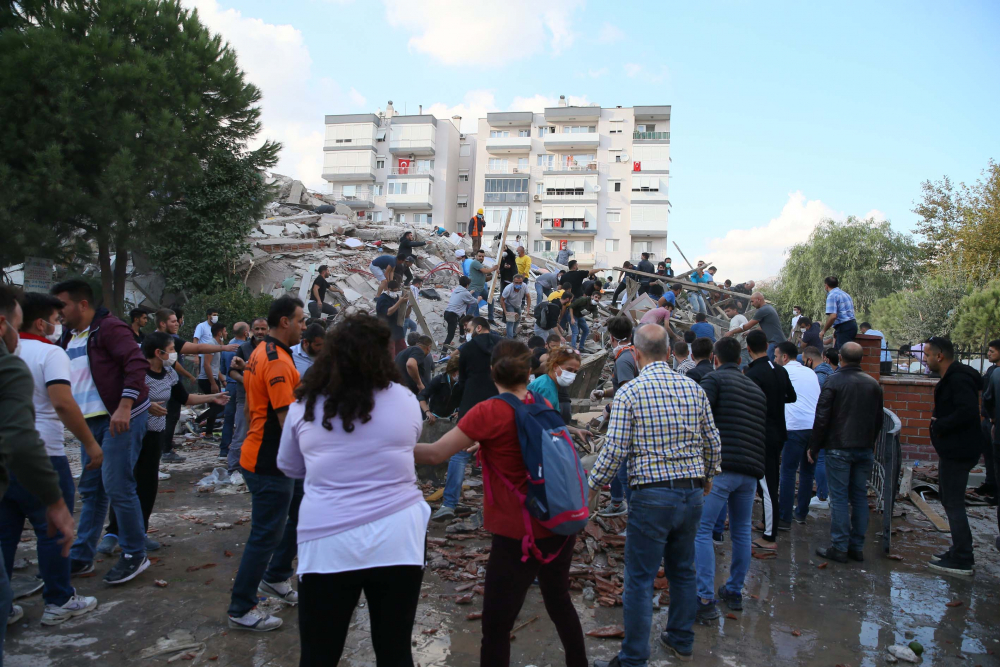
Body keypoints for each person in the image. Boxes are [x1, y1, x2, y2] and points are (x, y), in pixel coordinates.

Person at [415, 340, 587, 667]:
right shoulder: (540, 402)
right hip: (559, 522)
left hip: (518, 535)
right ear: (529, 370)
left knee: (496, 626)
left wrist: (383, 446)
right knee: (560, 602)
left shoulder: (488, 411)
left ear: (492, 370)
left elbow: (436, 452)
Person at [276, 314, 428, 665]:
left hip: (328, 540)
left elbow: (290, 467)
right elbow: (407, 444)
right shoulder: (404, 399)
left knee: (319, 653)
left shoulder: (305, 405)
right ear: (383, 354)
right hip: (399, 538)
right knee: (394, 649)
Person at [588, 324, 722, 665]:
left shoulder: (630, 393)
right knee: (683, 570)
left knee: (639, 578)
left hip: (651, 496)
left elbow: (615, 448)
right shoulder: (693, 389)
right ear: (668, 352)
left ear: (635, 353)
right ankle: (680, 639)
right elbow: (713, 441)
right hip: (690, 494)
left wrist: (592, 485)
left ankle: (633, 658)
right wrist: (706, 476)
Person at [3, 292, 98, 627]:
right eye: (57, 321)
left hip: (5, 457)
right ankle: (59, 600)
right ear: (41, 323)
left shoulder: (8, 353)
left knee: (5, 533)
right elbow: (62, 403)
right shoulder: (50, 352)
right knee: (54, 530)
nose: (60, 327)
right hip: (43, 453)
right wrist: (90, 443)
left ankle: (5, 605)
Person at [50, 280, 151, 585]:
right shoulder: (68, 337)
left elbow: (136, 362)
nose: (58, 313)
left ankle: (135, 553)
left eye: (62, 305)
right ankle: (82, 556)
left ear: (82, 304)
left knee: (118, 485)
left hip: (120, 417)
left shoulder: (109, 328)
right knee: (92, 490)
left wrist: (124, 405)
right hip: (91, 423)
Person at [102, 333, 229, 555]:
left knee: (147, 483)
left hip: (155, 435)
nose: (174, 354)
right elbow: (122, 397)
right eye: (171, 349)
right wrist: (146, 405)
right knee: (125, 481)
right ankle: (113, 532)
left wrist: (212, 398)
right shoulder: (136, 372)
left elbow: (185, 399)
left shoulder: (169, 373)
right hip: (131, 432)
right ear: (158, 353)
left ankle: (140, 532)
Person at [227, 296, 307, 631]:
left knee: (299, 513)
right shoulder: (273, 359)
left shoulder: (268, 352)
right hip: (269, 460)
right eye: (301, 320)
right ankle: (241, 607)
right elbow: (287, 419)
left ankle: (275, 577)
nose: (304, 326)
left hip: (273, 456)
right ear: (285, 322)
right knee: (265, 534)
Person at [694, 338, 766, 622]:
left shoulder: (713, 381)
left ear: (715, 358)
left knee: (701, 530)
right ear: (741, 360)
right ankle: (734, 591)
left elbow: (697, 419)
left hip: (722, 469)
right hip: (750, 472)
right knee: (741, 531)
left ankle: (704, 599)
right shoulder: (756, 389)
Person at [807, 342, 883, 564]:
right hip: (863, 448)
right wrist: (871, 443)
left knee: (839, 498)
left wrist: (814, 446)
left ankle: (839, 546)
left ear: (840, 357)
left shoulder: (833, 381)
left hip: (839, 447)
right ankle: (856, 547)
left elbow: (822, 417)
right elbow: (878, 420)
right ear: (861, 359)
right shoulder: (873, 384)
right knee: (859, 497)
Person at [432, 317, 501, 522]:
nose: (467, 331)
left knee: (460, 455)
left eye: (469, 328)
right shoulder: (505, 345)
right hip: (498, 406)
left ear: (479, 328)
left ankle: (448, 504)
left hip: (471, 407)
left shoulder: (467, 349)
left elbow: (461, 382)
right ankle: (496, 506)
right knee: (497, 456)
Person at [924, 336, 983, 576]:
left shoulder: (958, 379)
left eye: (927, 354)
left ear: (940, 356)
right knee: (949, 499)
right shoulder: (954, 377)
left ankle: (962, 558)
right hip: (954, 449)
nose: (925, 359)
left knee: (953, 502)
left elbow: (967, 412)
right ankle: (959, 549)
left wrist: (940, 425)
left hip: (959, 450)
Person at [152, 308, 237, 463]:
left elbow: (185, 398)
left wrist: (215, 396)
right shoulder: (146, 373)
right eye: (173, 321)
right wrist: (223, 348)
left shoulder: (170, 375)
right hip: (143, 425)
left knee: (166, 418)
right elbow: (197, 348)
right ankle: (163, 451)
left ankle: (161, 453)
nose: (177, 323)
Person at [744, 330, 795, 550]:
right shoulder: (780, 370)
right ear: (766, 345)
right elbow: (791, 396)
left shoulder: (753, 374)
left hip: (761, 435)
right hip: (779, 433)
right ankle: (767, 522)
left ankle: (769, 536)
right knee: (769, 480)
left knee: (766, 485)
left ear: (748, 349)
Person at [590, 317, 638, 517]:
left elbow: (628, 392)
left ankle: (633, 513)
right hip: (630, 418)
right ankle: (618, 502)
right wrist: (605, 393)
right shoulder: (633, 353)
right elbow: (622, 387)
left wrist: (610, 406)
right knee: (621, 465)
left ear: (611, 337)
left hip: (626, 421)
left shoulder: (624, 359)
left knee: (621, 466)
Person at [773, 341, 821, 531]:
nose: (775, 359)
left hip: (794, 427)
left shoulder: (783, 372)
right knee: (808, 472)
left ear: (784, 357)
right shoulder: (810, 372)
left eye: (776, 356)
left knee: (788, 471)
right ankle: (801, 513)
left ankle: (784, 517)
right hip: (814, 428)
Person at [227, 319, 268, 479]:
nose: (260, 332)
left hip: (266, 398)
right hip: (245, 397)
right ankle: (234, 469)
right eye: (257, 329)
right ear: (251, 330)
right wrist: (247, 380)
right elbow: (232, 371)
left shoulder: (272, 348)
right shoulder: (244, 348)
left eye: (263, 329)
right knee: (241, 433)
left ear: (268, 330)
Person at [724, 292, 786, 360]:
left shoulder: (762, 310)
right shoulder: (769, 308)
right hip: (779, 341)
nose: (752, 304)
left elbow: (746, 326)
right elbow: (762, 328)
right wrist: (750, 332)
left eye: (752, 301)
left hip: (774, 342)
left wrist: (731, 332)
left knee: (769, 365)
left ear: (759, 299)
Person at [219, 322, 249, 462]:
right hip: (242, 387)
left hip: (230, 385)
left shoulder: (227, 348)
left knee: (229, 420)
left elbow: (224, 369)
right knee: (243, 422)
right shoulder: (245, 348)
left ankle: (224, 450)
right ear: (246, 332)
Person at [197, 321, 228, 441]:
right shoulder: (210, 344)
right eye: (225, 331)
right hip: (207, 380)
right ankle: (198, 421)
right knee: (218, 405)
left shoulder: (218, 345)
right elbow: (207, 365)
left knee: (216, 407)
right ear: (220, 332)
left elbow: (216, 367)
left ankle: (208, 433)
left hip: (213, 378)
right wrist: (213, 383)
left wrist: (223, 380)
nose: (226, 333)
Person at [977, 340, 1000, 504]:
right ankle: (990, 483)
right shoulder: (992, 370)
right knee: (989, 455)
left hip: (994, 421)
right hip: (987, 419)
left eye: (992, 351)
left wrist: (993, 419)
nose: (989, 354)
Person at [527, 348, 580, 412]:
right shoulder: (546, 389)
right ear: (555, 367)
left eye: (575, 372)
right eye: (569, 370)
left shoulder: (546, 382)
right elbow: (544, 418)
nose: (572, 374)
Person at [419, 356, 462, 422]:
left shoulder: (461, 383)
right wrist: (427, 412)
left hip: (451, 419)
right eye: (460, 372)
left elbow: (465, 400)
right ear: (452, 371)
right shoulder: (439, 380)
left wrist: (460, 411)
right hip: (434, 418)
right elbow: (422, 396)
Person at [819, 276, 857, 349]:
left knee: (842, 353)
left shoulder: (832, 296)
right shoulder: (845, 294)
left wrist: (823, 331)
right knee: (844, 351)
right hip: (852, 325)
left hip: (844, 327)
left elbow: (833, 316)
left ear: (826, 285)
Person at [443, 276, 481, 347]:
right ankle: (443, 353)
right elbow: (474, 302)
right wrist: (479, 299)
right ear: (467, 285)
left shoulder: (456, 290)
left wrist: (470, 292)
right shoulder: (465, 293)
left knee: (463, 319)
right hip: (453, 315)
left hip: (447, 312)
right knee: (450, 336)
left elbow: (463, 296)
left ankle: (462, 336)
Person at [375, 280, 408, 356]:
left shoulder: (395, 297)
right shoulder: (383, 299)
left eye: (397, 290)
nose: (396, 292)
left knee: (403, 351)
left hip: (397, 329)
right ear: (389, 289)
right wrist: (399, 302)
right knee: (391, 353)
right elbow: (388, 312)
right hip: (387, 330)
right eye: (394, 290)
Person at [468, 249, 500, 323]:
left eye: (482, 256)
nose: (481, 258)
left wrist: (494, 275)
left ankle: (490, 319)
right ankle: (474, 321)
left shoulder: (480, 265)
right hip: (474, 288)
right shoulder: (475, 263)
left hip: (481, 289)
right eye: (479, 256)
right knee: (474, 305)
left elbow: (485, 279)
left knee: (491, 300)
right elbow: (486, 271)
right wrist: (493, 268)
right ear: (476, 256)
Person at [499, 274, 530, 339]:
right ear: (513, 282)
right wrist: (505, 312)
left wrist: (528, 308)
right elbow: (502, 300)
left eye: (520, 283)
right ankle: (509, 339)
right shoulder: (508, 288)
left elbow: (528, 296)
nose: (518, 284)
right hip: (509, 304)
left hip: (518, 304)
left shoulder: (524, 286)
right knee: (510, 321)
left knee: (518, 319)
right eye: (516, 282)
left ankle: (513, 333)